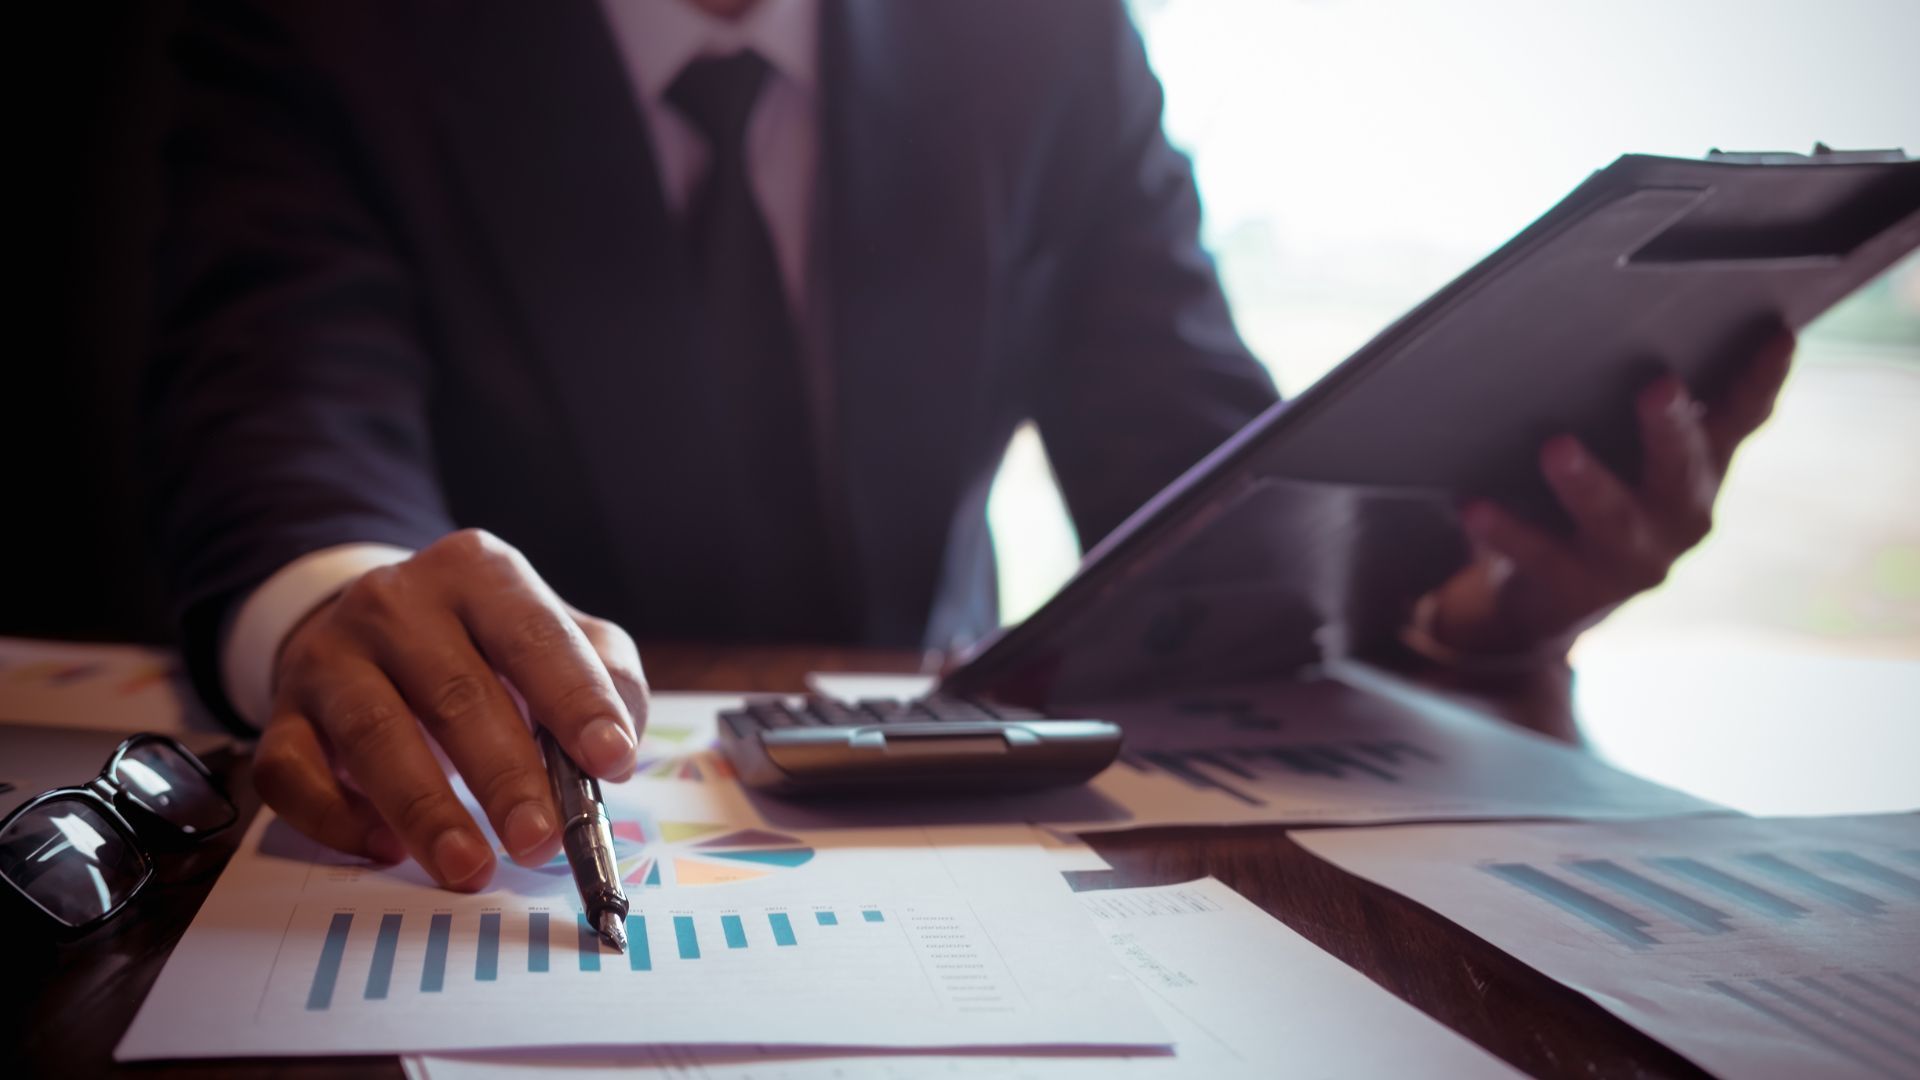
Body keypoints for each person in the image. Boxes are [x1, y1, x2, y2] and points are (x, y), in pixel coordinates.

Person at [143, 0, 1791, 891]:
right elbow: (289, 413)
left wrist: (1485, 610)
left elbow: (1207, 472)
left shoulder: (1046, 38)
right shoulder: (334, 30)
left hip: (942, 847)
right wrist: (338, 607)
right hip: (522, 826)